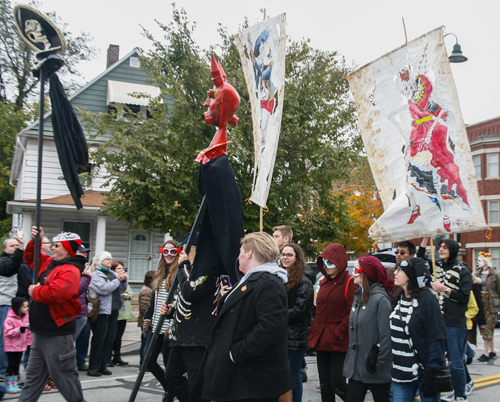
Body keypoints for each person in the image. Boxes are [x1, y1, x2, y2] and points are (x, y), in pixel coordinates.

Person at [200, 232, 293, 401]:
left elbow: (270, 328)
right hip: (241, 381)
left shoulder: (268, 283)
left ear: (249, 253)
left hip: (251, 382)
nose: (239, 256)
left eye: (240, 251)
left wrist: (237, 353)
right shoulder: (251, 281)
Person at [19, 226, 86, 402]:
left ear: (67, 249)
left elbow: (57, 294)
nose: (53, 248)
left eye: (57, 245)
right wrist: (36, 240)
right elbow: (30, 258)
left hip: (57, 332)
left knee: (65, 379)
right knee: (33, 379)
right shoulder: (50, 263)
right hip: (41, 331)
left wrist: (35, 291)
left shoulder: (70, 270)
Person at [391, 257, 447, 402]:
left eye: (400, 270)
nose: (395, 273)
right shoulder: (399, 298)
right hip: (400, 371)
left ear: (411, 276)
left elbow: (436, 336)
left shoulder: (427, 300)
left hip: (424, 372)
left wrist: (432, 371)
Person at [308, 243, 357, 402]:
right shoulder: (323, 281)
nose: (327, 266)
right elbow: (319, 308)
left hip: (339, 340)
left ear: (340, 262)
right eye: (324, 262)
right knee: (325, 385)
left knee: (337, 383)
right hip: (322, 338)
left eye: (331, 262)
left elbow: (352, 311)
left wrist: (339, 331)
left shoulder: (350, 282)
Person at [343, 257, 394, 402]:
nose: (353, 273)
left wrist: (379, 363)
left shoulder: (381, 300)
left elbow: (386, 336)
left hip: (374, 368)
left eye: (356, 268)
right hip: (356, 369)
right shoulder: (359, 296)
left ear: (366, 273)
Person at [431, 239, 472, 402]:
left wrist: (444, 289)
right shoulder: (436, 268)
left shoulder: (463, 270)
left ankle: (460, 395)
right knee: (437, 361)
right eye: (439, 247)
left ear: (453, 250)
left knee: (456, 362)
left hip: (454, 324)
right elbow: (419, 261)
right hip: (437, 323)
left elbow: (464, 297)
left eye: (445, 247)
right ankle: (443, 390)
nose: (440, 249)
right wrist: (425, 240)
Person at [143, 240, 179, 402]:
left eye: (173, 251)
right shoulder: (159, 272)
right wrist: (148, 317)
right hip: (156, 325)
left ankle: (169, 395)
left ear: (178, 252)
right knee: (148, 361)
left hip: (169, 327)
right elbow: (154, 298)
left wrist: (173, 322)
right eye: (166, 251)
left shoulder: (180, 273)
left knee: (169, 365)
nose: (169, 255)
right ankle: (169, 389)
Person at [87, 251, 128, 377]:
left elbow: (121, 289)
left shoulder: (112, 274)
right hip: (101, 311)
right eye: (107, 259)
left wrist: (123, 281)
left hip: (114, 310)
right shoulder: (95, 275)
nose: (110, 261)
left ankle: (103, 366)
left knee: (110, 339)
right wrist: (118, 280)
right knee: (99, 339)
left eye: (111, 259)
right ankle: (93, 367)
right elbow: (104, 289)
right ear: (100, 261)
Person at [281, 243, 314, 402]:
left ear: (297, 258)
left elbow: (300, 309)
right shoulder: (281, 276)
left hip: (295, 334)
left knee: (294, 376)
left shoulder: (304, 281)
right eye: (283, 254)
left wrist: (278, 316)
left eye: (289, 255)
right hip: (282, 333)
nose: (285, 258)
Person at [0, 234, 25, 378]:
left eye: (17, 246)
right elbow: (10, 268)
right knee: (5, 338)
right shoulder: (4, 261)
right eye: (12, 246)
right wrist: (20, 249)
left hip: (17, 305)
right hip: (4, 304)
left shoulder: (18, 262)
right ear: (5, 249)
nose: (15, 248)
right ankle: (3, 370)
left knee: (17, 338)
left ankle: (12, 369)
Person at [472, 252, 500, 362]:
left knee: (488, 327)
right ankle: (492, 351)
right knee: (484, 326)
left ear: (486, 261)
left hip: (491, 302)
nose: (478, 261)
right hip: (480, 301)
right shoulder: (477, 273)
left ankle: (486, 353)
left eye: (480, 259)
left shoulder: (495, 274)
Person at [3, 297, 31, 394]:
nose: (26, 308)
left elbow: (28, 331)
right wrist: (19, 330)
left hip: (21, 345)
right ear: (17, 307)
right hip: (11, 346)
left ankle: (14, 383)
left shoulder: (25, 316)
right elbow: (8, 332)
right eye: (24, 307)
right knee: (11, 364)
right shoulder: (9, 318)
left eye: (27, 306)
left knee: (16, 366)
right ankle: (9, 384)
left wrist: (29, 343)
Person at [111, 261, 133, 366]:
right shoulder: (113, 280)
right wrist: (125, 295)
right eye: (119, 268)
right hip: (116, 312)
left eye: (122, 268)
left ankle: (117, 356)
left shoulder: (124, 280)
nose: (122, 270)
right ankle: (109, 356)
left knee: (119, 336)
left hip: (124, 313)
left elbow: (130, 292)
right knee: (113, 336)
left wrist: (129, 294)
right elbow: (119, 293)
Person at [138, 270, 155, 366]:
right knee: (146, 343)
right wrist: (149, 318)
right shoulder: (146, 291)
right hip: (147, 322)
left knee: (148, 343)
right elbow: (144, 308)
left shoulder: (151, 289)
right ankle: (143, 363)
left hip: (150, 321)